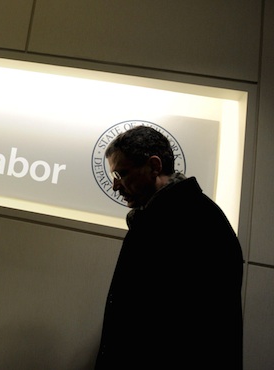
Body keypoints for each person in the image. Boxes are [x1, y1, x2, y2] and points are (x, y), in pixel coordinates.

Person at [95, 125, 243, 369]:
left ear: (154, 166)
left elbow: (187, 328)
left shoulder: (195, 222)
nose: (115, 186)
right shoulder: (169, 216)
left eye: (121, 174)